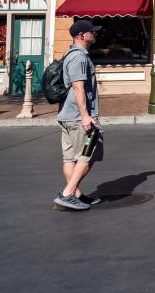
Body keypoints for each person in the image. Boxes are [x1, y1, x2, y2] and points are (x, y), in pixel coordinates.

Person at [53, 20, 104, 211]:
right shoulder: (79, 57)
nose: (95, 34)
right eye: (92, 32)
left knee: (69, 159)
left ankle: (77, 195)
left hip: (66, 116)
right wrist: (86, 116)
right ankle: (67, 194)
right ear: (82, 35)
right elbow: (78, 86)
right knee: (87, 155)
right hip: (78, 117)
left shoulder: (70, 54)